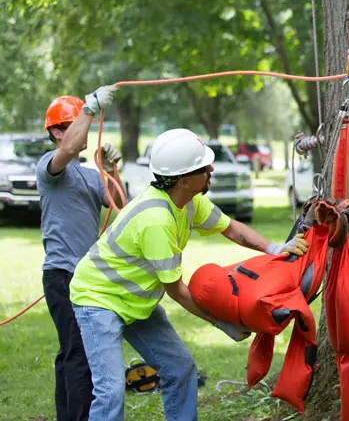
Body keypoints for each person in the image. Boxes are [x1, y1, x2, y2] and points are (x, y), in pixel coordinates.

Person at [69, 128, 309, 421]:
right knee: (111, 390)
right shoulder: (156, 220)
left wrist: (274, 247)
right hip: (98, 301)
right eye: (203, 167)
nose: (211, 169)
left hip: (134, 301)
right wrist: (221, 323)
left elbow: (230, 227)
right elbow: (177, 290)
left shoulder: (189, 200)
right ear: (183, 179)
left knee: (180, 369)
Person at [37, 86, 122, 421]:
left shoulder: (89, 174)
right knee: (80, 355)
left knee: (70, 352)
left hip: (85, 276)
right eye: (74, 124)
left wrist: (113, 168)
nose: (84, 130)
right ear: (58, 133)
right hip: (62, 274)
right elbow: (72, 146)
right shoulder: (49, 167)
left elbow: (119, 206)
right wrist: (90, 107)